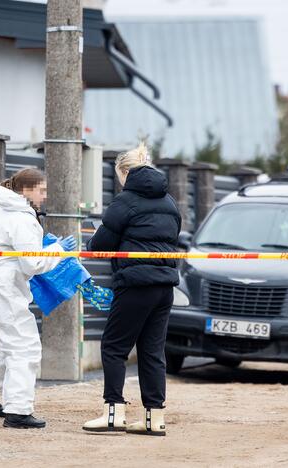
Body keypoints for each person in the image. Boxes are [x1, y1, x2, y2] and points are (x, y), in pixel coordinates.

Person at [82, 142, 181, 436]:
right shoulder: (170, 201)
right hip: (164, 285)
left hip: (136, 283)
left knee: (114, 347)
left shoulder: (125, 201)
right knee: (152, 351)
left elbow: (100, 245)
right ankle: (154, 418)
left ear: (125, 172)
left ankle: (113, 413)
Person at [0, 168, 77, 429]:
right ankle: (18, 412)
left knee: (9, 343)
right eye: (42, 190)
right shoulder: (21, 217)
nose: (45, 196)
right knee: (24, 346)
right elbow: (32, 263)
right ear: (27, 190)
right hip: (2, 287)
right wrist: (58, 250)